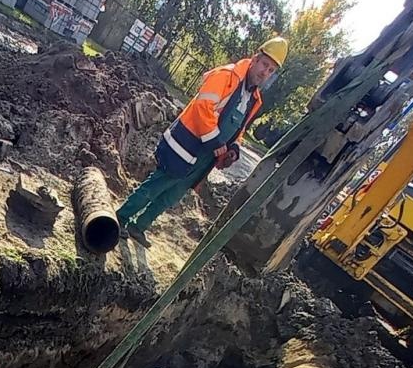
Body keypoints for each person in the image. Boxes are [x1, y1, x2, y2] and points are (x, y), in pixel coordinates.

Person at [115, 37, 287, 241]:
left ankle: (140, 226)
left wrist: (234, 148)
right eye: (265, 65)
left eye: (271, 71)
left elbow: (239, 129)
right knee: (157, 185)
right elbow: (202, 108)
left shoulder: (254, 99)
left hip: (206, 156)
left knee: (173, 195)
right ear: (255, 59)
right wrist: (216, 143)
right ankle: (120, 218)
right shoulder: (226, 76)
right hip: (187, 144)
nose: (265, 72)